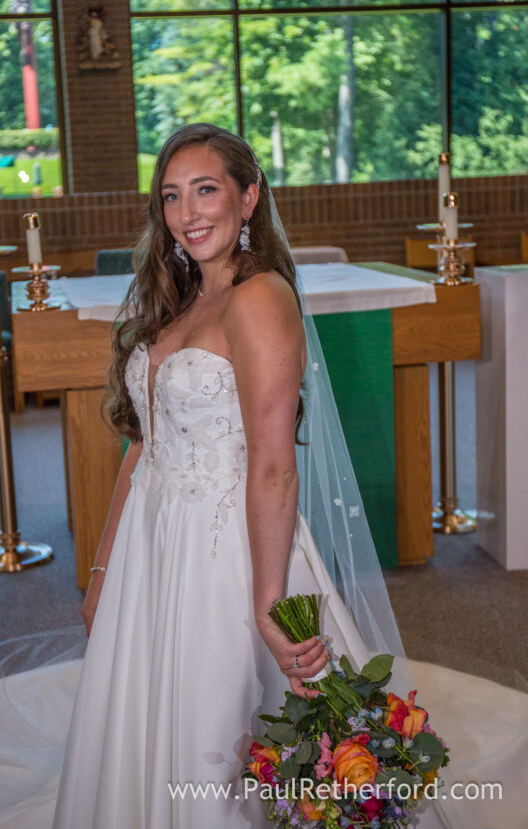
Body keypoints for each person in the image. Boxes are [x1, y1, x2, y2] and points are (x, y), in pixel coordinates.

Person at [52, 123, 378, 828]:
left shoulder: (259, 300)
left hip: (227, 555)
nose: (188, 213)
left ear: (249, 197)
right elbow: (143, 449)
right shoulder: (175, 297)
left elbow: (272, 467)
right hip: (151, 543)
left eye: (206, 190)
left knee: (218, 732)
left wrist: (268, 603)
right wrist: (103, 573)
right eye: (172, 197)